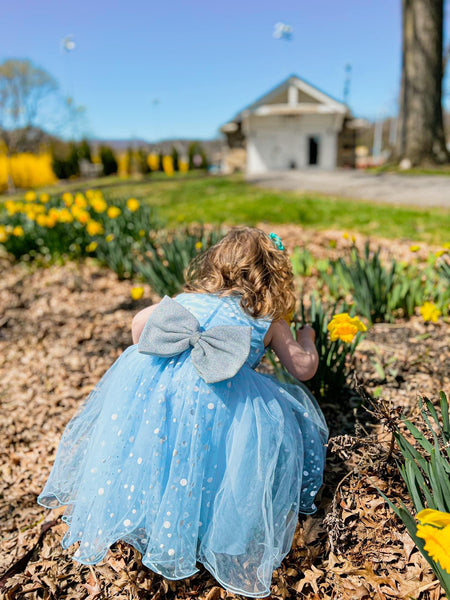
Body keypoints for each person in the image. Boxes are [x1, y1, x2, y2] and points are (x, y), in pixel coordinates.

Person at [37, 226, 328, 598]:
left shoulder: (186, 299)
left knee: (164, 453)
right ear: (274, 275)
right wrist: (308, 339)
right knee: (216, 460)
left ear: (216, 265)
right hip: (225, 404)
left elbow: (138, 326)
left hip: (163, 397)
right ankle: (208, 530)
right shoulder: (268, 319)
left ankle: (155, 517)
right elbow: (302, 368)